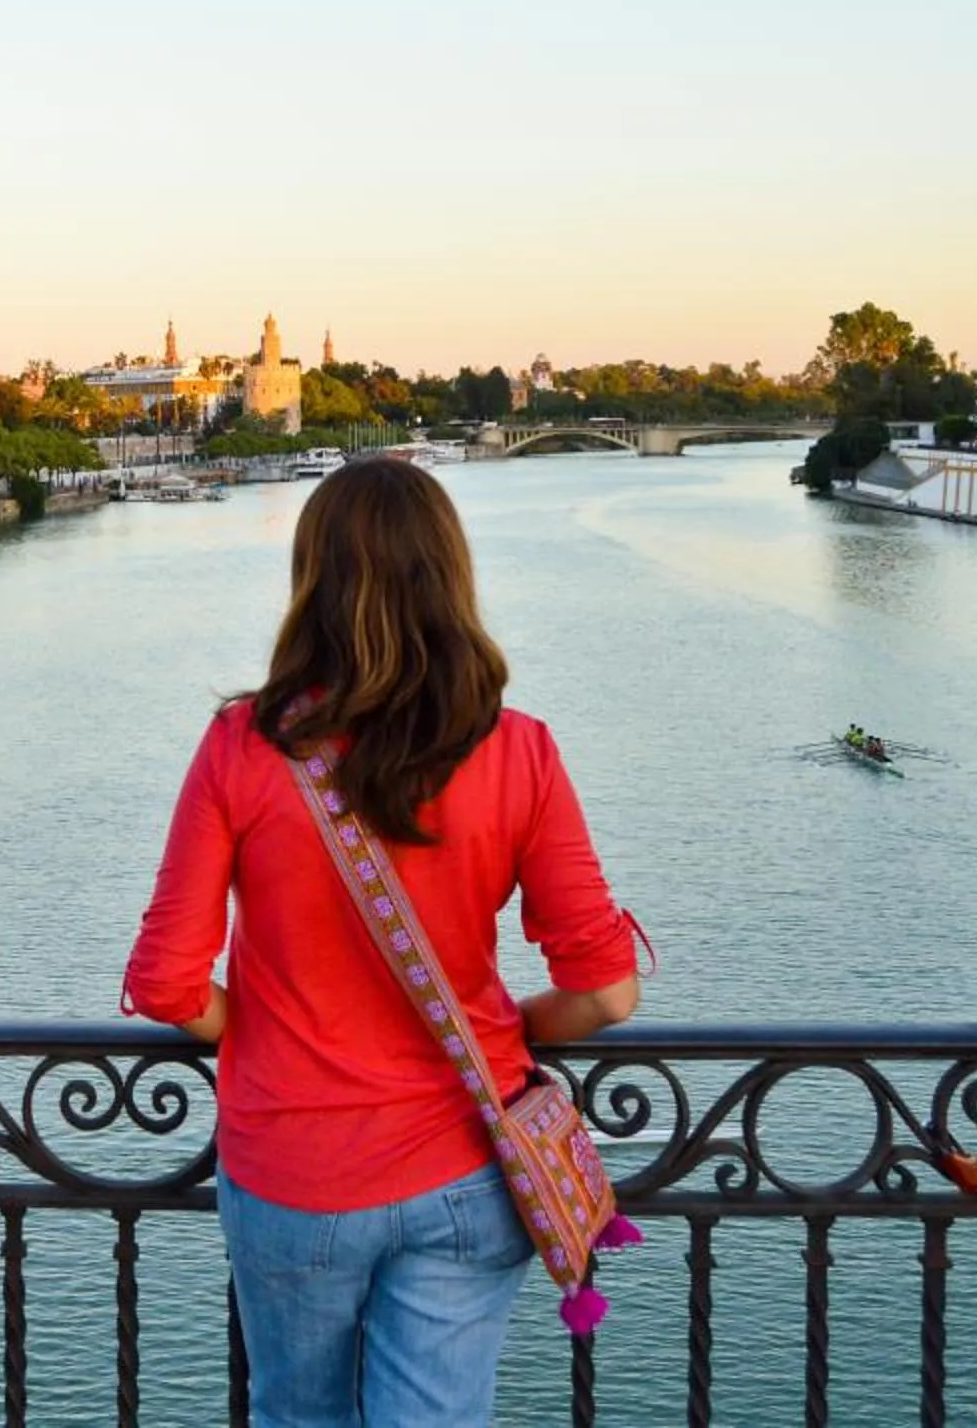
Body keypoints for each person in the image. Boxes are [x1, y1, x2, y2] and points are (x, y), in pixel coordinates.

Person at [124, 459, 642, 1428]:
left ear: (312, 580)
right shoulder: (517, 746)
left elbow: (167, 984)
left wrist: (266, 1027)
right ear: (449, 575)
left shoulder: (244, 744)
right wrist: (506, 1030)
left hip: (296, 1164)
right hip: (465, 1155)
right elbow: (607, 993)